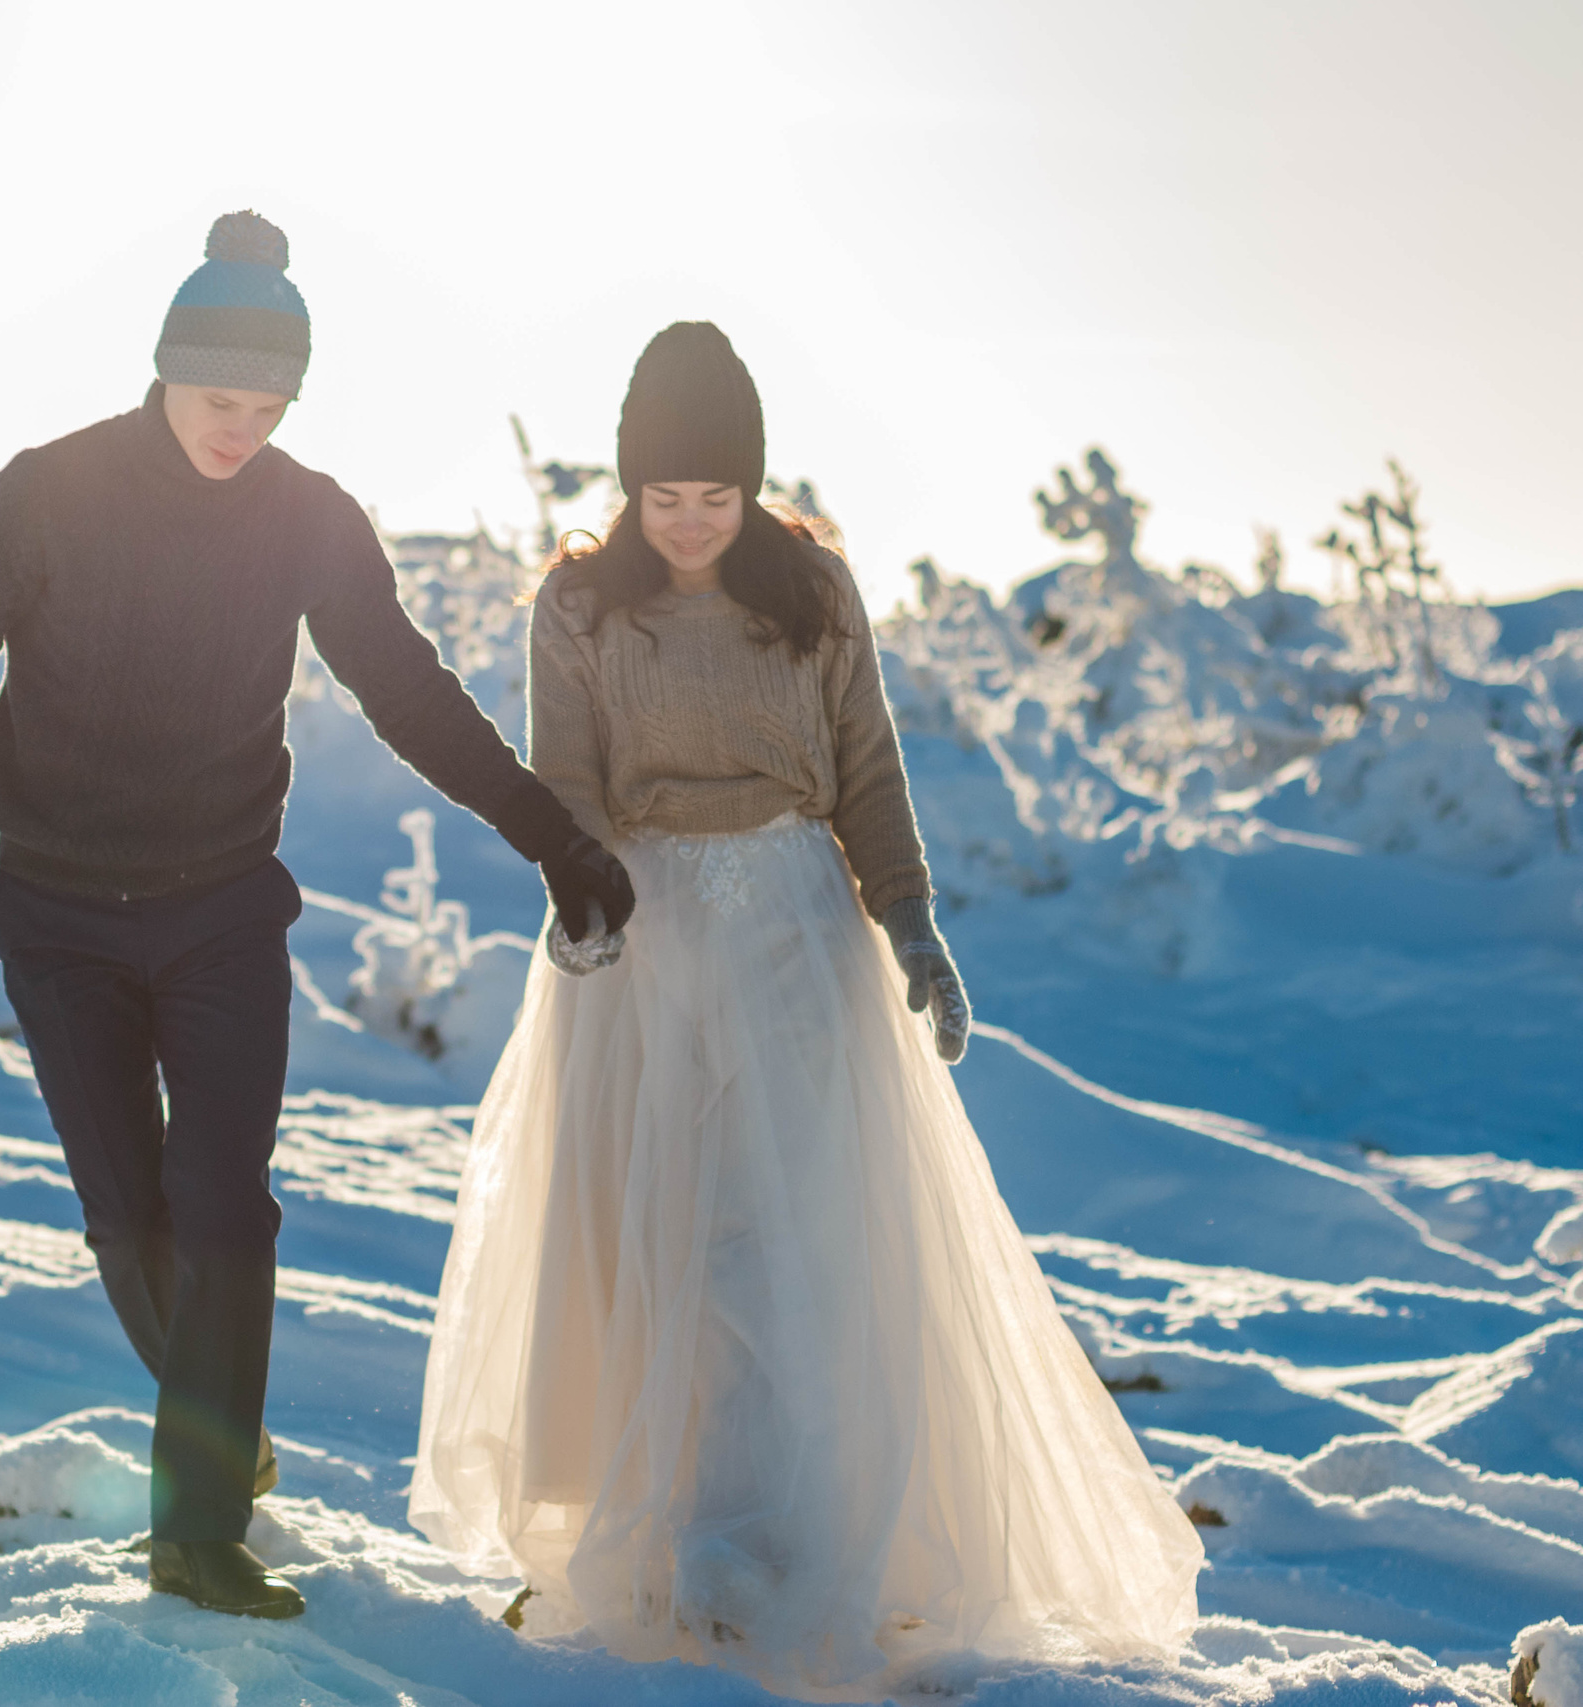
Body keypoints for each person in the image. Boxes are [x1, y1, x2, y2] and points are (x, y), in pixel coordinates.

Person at [0, 211, 636, 1622]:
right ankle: (227, 1433)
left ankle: (195, 1534)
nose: (239, 432)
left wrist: (551, 838)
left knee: (224, 1202)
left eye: (270, 409)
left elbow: (410, 693)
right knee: (129, 1217)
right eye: (218, 403)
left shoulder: (310, 519)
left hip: (220, 913)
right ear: (162, 371)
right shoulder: (47, 495)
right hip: (57, 912)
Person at [407, 321, 1203, 1693]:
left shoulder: (816, 592)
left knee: (793, 1243)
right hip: (639, 943)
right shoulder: (582, 603)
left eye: (717, 497)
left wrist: (915, 929)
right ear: (628, 487)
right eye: (666, 498)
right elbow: (569, 776)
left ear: (754, 489)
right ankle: (677, 1532)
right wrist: (581, 893)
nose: (693, 523)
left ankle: (803, 1532)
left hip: (792, 933)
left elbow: (868, 775)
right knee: (651, 1239)